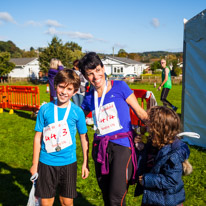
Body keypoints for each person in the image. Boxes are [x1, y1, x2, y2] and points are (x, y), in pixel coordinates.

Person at [79, 52, 148, 206]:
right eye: (90, 74)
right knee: (106, 196)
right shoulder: (89, 97)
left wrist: (159, 128)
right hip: (100, 148)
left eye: (97, 70)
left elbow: (140, 112)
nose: (95, 76)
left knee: (116, 198)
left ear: (103, 68)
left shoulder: (120, 86)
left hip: (122, 147)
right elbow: (77, 119)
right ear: (85, 76)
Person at [30, 69, 89, 206]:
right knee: (46, 202)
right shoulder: (45, 110)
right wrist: (34, 164)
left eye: (69, 89)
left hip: (68, 162)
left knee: (67, 201)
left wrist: (85, 163)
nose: (64, 92)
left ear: (74, 92)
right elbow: (38, 137)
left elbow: (83, 137)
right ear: (55, 86)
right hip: (46, 162)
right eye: (61, 87)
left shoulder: (77, 112)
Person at [136, 106, 192, 206]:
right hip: (153, 197)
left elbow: (170, 180)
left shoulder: (173, 153)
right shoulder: (154, 144)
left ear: (158, 129)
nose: (146, 128)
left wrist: (146, 180)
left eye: (149, 125)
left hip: (168, 201)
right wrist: (142, 149)